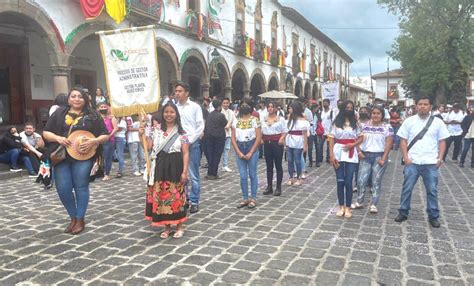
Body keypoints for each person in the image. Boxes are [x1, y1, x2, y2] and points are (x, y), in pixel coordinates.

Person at [43, 87, 109, 234]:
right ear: (68, 99)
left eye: (80, 96)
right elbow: (46, 133)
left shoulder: (93, 115)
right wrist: (58, 138)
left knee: (81, 186)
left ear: (85, 99)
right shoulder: (59, 113)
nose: (76, 99)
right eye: (73, 96)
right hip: (62, 157)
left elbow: (105, 135)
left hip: (84, 156)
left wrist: (94, 141)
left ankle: (80, 218)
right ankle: (73, 217)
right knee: (63, 188)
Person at [394, 96, 450, 228]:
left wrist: (440, 158)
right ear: (416, 106)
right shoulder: (409, 121)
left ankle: (433, 215)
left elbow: (442, 141)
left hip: (430, 162)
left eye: (425, 104)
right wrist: (406, 157)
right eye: (420, 104)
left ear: (430, 106)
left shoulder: (438, 122)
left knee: (432, 190)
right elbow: (403, 140)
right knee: (407, 188)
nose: (422, 106)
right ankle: (403, 211)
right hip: (413, 161)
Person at [142, 102, 189, 239]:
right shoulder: (155, 130)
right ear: (163, 114)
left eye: (172, 112)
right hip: (160, 165)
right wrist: (142, 135)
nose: (169, 115)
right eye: (166, 112)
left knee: (176, 196)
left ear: (176, 114)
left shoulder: (181, 132)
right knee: (162, 195)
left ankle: (180, 225)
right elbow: (148, 146)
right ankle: (167, 226)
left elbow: (186, 153)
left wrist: (184, 171)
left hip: (175, 165)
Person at [353, 106, 393, 213]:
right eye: (374, 113)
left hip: (379, 156)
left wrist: (384, 158)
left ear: (382, 115)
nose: (375, 115)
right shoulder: (363, 126)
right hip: (365, 156)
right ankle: (359, 201)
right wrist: (359, 152)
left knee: (376, 181)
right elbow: (357, 139)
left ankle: (374, 204)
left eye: (378, 113)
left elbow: (389, 143)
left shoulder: (387, 127)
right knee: (361, 180)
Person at [328, 100, 363, 218]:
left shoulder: (356, 124)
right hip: (338, 152)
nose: (349, 109)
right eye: (347, 107)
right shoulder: (336, 123)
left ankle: (348, 207)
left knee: (348, 181)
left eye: (351, 108)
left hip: (351, 154)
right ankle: (341, 206)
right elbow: (331, 139)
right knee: (340, 181)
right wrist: (331, 155)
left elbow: (361, 138)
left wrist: (352, 145)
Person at [175, 82, 204, 214]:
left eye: (180, 91)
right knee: (181, 173)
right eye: (176, 91)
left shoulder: (195, 107)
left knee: (193, 174)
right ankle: (184, 198)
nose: (177, 93)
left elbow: (200, 126)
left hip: (192, 144)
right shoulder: (174, 108)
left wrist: (190, 141)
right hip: (177, 144)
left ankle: (194, 201)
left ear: (187, 93)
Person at [232, 98, 262, 209]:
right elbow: (233, 138)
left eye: (246, 105)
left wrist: (251, 151)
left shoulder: (255, 120)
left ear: (251, 107)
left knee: (252, 174)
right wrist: (238, 152)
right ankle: (245, 198)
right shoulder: (236, 120)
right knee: (243, 176)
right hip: (240, 147)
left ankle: (253, 198)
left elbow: (258, 137)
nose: (244, 107)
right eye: (242, 105)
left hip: (251, 147)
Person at [261, 101, 287, 196]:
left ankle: (278, 187)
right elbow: (261, 130)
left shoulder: (281, 119)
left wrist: (282, 138)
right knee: (269, 165)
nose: (270, 108)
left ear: (276, 108)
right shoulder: (264, 119)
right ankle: (269, 186)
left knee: (278, 165)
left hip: (277, 143)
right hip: (267, 143)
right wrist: (261, 138)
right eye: (269, 106)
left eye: (272, 106)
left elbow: (285, 131)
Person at [285, 101, 309, 186]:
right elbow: (287, 130)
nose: (289, 109)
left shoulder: (303, 120)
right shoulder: (289, 117)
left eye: (290, 108)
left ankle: (298, 177)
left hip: (298, 141)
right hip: (289, 140)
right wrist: (285, 143)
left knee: (298, 160)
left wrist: (305, 145)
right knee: (290, 160)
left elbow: (305, 133)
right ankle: (291, 177)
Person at [204, 99, 227, 179]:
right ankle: (214, 173)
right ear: (219, 106)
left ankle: (209, 172)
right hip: (219, 137)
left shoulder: (210, 115)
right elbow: (225, 123)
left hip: (209, 137)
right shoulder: (221, 115)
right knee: (217, 155)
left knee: (210, 155)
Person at [99, 103, 118, 181]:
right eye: (101, 107)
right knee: (100, 157)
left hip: (109, 140)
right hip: (99, 140)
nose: (103, 108)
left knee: (108, 158)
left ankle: (107, 174)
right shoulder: (97, 119)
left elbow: (115, 128)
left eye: (104, 107)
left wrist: (109, 136)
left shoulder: (111, 118)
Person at [319, 99, 336, 164]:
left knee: (329, 146)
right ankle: (320, 158)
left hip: (329, 132)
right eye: (324, 103)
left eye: (326, 103)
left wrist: (332, 130)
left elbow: (334, 121)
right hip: (322, 132)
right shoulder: (321, 112)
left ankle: (328, 158)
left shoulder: (331, 112)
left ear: (329, 104)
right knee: (320, 145)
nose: (325, 104)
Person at [221, 97, 236, 172]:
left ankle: (225, 165)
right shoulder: (220, 111)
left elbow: (234, 121)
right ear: (222, 103)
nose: (225, 104)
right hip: (220, 134)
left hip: (228, 133)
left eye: (227, 103)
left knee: (226, 149)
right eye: (224, 103)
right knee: (218, 150)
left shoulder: (231, 112)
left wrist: (229, 126)